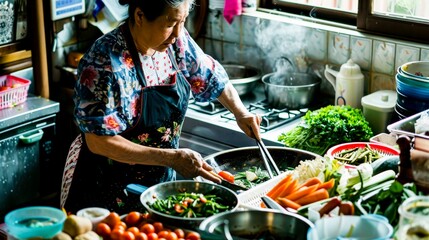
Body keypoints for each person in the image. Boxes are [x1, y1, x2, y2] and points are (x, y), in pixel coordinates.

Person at [60, 0, 262, 214]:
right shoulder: (104, 61)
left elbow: (211, 77)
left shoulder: (176, 42)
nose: (177, 33)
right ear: (139, 16)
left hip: (159, 185)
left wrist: (242, 113)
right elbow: (99, 141)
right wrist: (171, 158)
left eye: (182, 22)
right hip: (104, 188)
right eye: (170, 24)